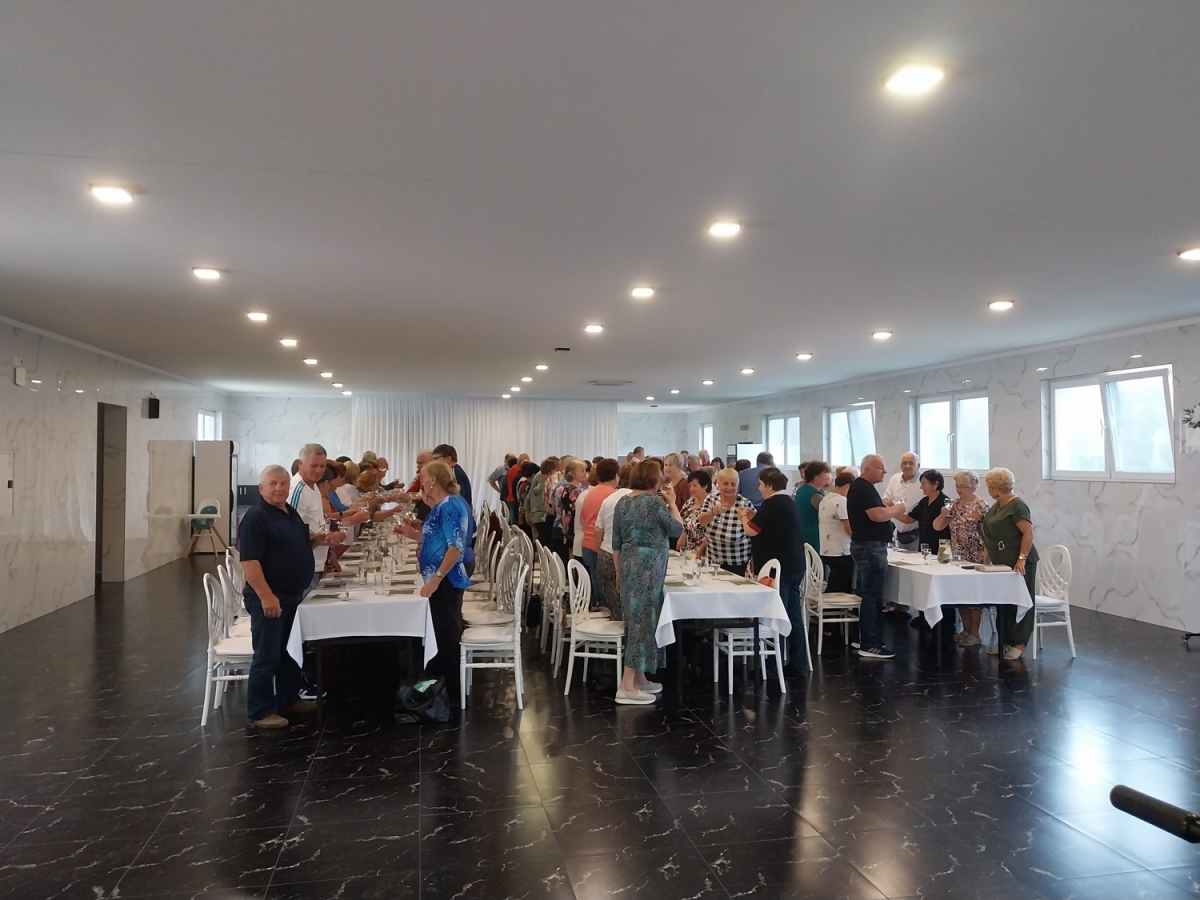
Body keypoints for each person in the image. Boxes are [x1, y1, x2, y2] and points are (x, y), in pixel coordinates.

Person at [237, 465, 321, 728]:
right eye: (272, 484)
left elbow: (297, 545)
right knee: (267, 655)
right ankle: (259, 711)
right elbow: (250, 562)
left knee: (289, 651)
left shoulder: (288, 511)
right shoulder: (255, 518)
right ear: (261, 488)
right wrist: (266, 596)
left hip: (292, 594)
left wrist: (320, 540)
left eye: (283, 484)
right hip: (270, 597)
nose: (279, 488)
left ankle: (288, 699)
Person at [395, 461, 472, 706]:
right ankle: (443, 690)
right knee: (442, 635)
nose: (420, 479)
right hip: (440, 579)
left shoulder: (450, 506)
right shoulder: (441, 505)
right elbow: (437, 540)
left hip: (446, 581)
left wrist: (436, 580)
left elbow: (454, 548)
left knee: (448, 638)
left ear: (433, 480)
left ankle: (452, 697)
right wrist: (414, 535)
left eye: (423, 476)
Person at [611, 460, 683, 704]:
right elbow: (676, 529)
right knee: (642, 622)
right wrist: (673, 502)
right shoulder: (654, 502)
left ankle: (639, 676)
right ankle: (626, 685)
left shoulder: (622, 502)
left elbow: (616, 542)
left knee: (636, 621)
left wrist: (618, 571)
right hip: (648, 568)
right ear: (654, 479)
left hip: (628, 564)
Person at [736, 467, 807, 674]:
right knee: (792, 614)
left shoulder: (772, 503)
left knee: (775, 614)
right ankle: (798, 663)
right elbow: (768, 523)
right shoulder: (788, 502)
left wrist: (743, 516)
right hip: (794, 564)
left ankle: (772, 665)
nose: (759, 488)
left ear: (769, 485)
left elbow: (752, 530)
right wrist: (753, 515)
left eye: (761, 484)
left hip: (779, 567)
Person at [847, 454, 910, 660]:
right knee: (872, 595)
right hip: (870, 547)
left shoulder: (862, 487)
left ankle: (863, 637)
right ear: (867, 469)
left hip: (866, 546)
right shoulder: (863, 488)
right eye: (880, 467)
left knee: (866, 593)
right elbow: (877, 515)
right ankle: (870, 643)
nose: (885, 471)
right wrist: (897, 509)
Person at [981, 467, 1038, 660]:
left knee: (1019, 600)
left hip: (1018, 562)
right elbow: (991, 533)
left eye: (989, 487)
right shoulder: (997, 505)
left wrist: (1021, 558)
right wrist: (985, 561)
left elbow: (1027, 533)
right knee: (1003, 602)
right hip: (1001, 563)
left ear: (996, 488)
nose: (989, 491)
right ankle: (1004, 638)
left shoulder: (1017, 506)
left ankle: (1019, 642)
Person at [933, 470, 990, 646]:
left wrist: (986, 561)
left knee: (974, 597)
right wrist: (943, 514)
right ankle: (965, 629)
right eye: (957, 486)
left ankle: (975, 633)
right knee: (961, 594)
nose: (959, 490)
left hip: (975, 555)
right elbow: (937, 527)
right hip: (958, 554)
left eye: (963, 486)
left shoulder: (981, 506)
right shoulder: (955, 505)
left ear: (973, 486)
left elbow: (990, 534)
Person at [288, 443, 346, 593]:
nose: (319, 470)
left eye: (322, 466)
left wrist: (329, 540)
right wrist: (326, 539)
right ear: (300, 464)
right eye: (314, 466)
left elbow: (315, 524)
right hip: (304, 567)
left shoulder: (313, 486)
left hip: (317, 564)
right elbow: (291, 532)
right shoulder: (297, 490)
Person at [595, 461, 635, 618]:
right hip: (630, 556)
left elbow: (598, 529)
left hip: (607, 553)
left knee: (615, 604)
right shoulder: (639, 500)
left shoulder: (609, 499)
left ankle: (617, 626)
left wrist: (599, 551)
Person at [579, 458, 619, 608]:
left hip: (587, 544)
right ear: (616, 476)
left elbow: (582, 519)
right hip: (603, 546)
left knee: (597, 589)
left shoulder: (589, 493)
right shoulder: (613, 496)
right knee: (608, 595)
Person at [699, 468, 754, 574]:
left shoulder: (745, 504)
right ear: (718, 484)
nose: (729, 487)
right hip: (713, 561)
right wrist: (712, 513)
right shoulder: (711, 499)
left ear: (738, 484)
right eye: (725, 484)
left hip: (737, 563)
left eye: (733, 484)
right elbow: (702, 521)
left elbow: (755, 531)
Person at [818, 471, 855, 594]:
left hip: (827, 548)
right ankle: (834, 605)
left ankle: (829, 602)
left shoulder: (825, 499)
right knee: (841, 586)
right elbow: (849, 529)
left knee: (835, 579)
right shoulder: (842, 501)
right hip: (841, 550)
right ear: (847, 486)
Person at [897, 470, 952, 553]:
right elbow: (909, 519)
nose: (921, 487)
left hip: (940, 548)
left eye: (923, 484)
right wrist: (892, 512)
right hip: (924, 546)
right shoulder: (924, 502)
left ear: (935, 484)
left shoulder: (945, 503)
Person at [883, 452, 924, 546]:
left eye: (911, 463)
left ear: (918, 466)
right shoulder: (894, 478)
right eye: (904, 463)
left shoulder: (923, 480)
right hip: (895, 533)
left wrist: (892, 510)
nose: (907, 466)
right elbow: (885, 501)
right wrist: (897, 510)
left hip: (917, 534)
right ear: (900, 466)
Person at [552, 459, 588, 564]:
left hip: (561, 528)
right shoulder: (575, 491)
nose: (585, 474)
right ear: (572, 473)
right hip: (571, 532)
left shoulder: (563, 487)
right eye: (581, 471)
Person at [793, 460, 832, 550]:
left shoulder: (802, 489)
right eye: (824, 474)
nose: (827, 477)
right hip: (813, 534)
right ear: (815, 476)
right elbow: (829, 513)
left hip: (802, 531)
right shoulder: (814, 494)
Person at [677, 469, 712, 555]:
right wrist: (681, 539)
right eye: (690, 486)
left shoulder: (712, 503)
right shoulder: (690, 502)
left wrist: (701, 550)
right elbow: (684, 521)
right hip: (689, 551)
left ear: (705, 486)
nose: (691, 489)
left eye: (695, 485)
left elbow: (712, 531)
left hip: (706, 552)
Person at [526, 457, 557, 547]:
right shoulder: (549, 485)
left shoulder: (537, 483)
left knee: (542, 544)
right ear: (552, 471)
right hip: (544, 517)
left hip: (536, 517)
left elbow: (527, 498)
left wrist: (528, 512)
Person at [513, 460, 540, 534]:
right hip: (527, 518)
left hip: (522, 516)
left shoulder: (523, 484)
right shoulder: (530, 487)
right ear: (534, 475)